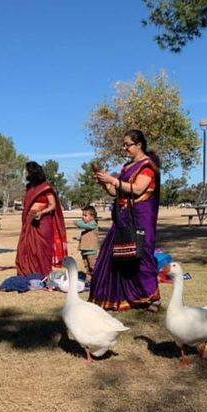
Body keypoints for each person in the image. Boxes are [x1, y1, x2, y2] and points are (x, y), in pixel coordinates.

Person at [91, 129, 161, 312]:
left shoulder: (148, 166)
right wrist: (105, 183)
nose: (124, 148)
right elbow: (116, 192)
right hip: (122, 216)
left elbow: (138, 189)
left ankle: (151, 297)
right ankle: (120, 296)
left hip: (140, 217)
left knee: (141, 255)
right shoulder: (126, 167)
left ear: (139, 145)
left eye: (127, 144)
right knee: (117, 255)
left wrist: (112, 180)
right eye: (123, 145)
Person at [15, 161, 68, 277]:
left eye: (26, 171)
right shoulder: (29, 187)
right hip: (29, 221)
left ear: (32, 172)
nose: (24, 173)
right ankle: (28, 272)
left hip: (42, 221)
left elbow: (52, 205)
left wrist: (41, 212)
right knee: (26, 247)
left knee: (41, 247)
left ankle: (43, 273)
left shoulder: (46, 187)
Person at [74, 205, 100, 282]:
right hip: (84, 250)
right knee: (87, 266)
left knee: (93, 265)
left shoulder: (93, 224)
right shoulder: (87, 227)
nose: (83, 217)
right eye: (82, 215)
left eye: (85, 215)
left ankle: (98, 279)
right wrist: (78, 238)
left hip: (91, 250)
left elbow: (83, 225)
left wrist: (77, 223)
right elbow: (86, 235)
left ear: (92, 216)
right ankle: (89, 279)